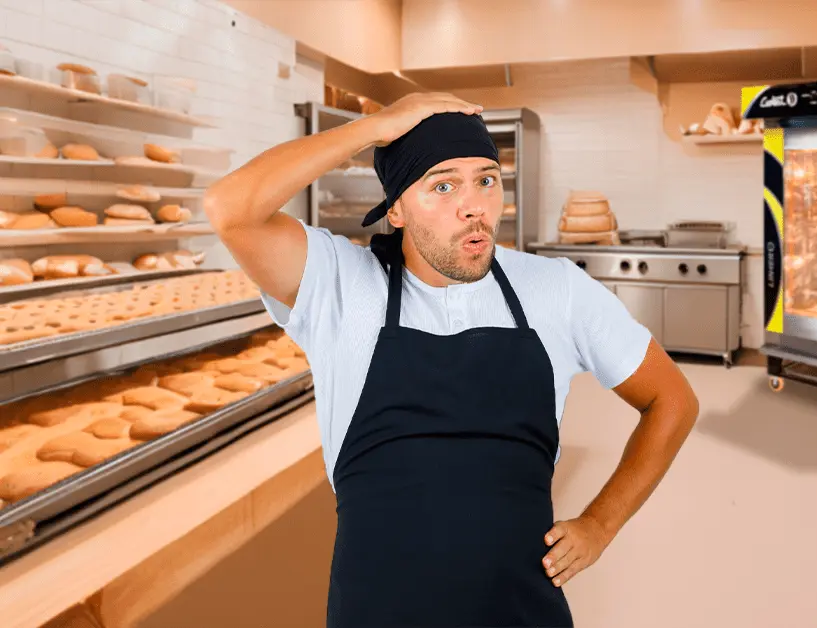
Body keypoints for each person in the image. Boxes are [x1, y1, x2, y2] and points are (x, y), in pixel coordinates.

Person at [203, 92, 700, 628]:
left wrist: (601, 525)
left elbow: (671, 399)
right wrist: (373, 128)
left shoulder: (556, 291)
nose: (474, 207)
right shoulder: (340, 285)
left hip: (520, 612)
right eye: (442, 185)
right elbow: (230, 209)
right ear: (395, 208)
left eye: (486, 179)